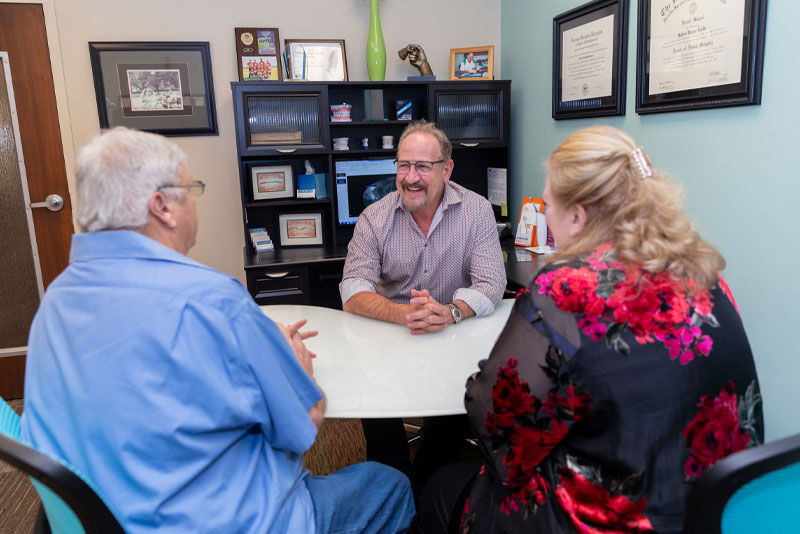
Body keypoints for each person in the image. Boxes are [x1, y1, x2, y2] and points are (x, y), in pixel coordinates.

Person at [20, 127, 415, 534]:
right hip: (227, 522)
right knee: (391, 485)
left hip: (104, 515)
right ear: (162, 207)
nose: (193, 200)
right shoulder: (211, 300)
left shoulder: (56, 300)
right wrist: (295, 363)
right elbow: (303, 427)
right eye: (190, 189)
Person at [415, 125, 763, 533]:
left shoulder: (566, 288)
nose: (545, 215)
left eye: (547, 204)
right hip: (714, 511)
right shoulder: (705, 273)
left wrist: (492, 364)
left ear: (577, 217)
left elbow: (492, 418)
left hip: (609, 520)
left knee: (440, 488)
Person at [340, 120, 506, 495]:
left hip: (452, 333)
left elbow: (491, 283)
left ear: (446, 169)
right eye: (403, 165)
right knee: (374, 401)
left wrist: (450, 312)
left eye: (422, 167)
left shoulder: (476, 211)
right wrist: (408, 316)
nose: (410, 177)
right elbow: (353, 290)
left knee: (454, 406)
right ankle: (392, 484)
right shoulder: (374, 217)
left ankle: (433, 484)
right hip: (389, 336)